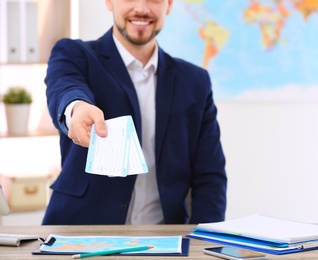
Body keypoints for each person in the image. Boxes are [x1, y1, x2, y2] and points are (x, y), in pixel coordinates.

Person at [42, 0, 227, 225]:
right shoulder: (74, 54)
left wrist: (203, 243)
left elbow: (210, 177)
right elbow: (65, 86)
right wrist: (77, 107)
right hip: (81, 234)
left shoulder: (195, 81)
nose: (141, 8)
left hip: (164, 241)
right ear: (109, 2)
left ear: (169, 5)